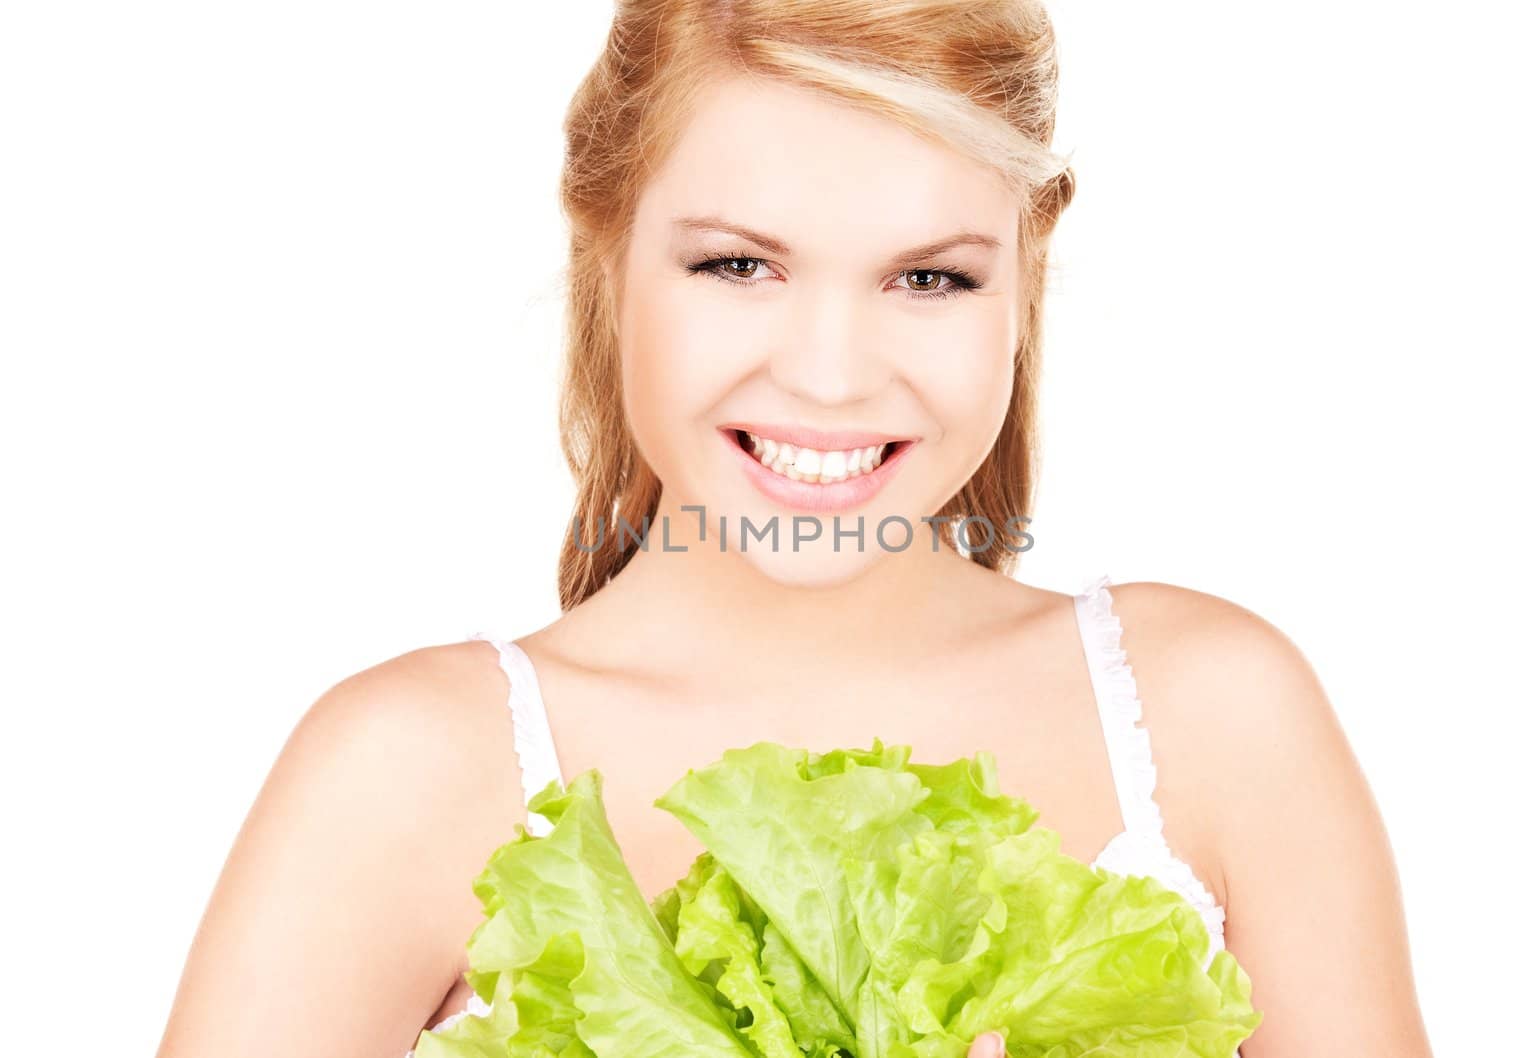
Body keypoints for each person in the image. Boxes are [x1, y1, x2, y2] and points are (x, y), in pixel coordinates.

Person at [155, 2, 1432, 1056]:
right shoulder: (400, 770)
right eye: (738, 266)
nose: (830, 376)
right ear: (607, 248)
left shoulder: (1216, 709)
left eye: (928, 277)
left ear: (1023, 278)